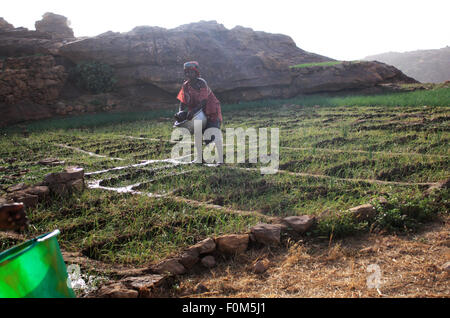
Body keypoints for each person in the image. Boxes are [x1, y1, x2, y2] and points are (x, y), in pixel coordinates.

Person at [176, 61, 223, 145]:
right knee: (198, 134)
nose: (188, 74)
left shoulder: (201, 83)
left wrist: (193, 111)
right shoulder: (185, 86)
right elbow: (182, 102)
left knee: (211, 136)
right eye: (186, 72)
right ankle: (200, 157)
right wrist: (180, 112)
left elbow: (204, 101)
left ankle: (219, 155)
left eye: (190, 72)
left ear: (196, 73)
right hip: (197, 113)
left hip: (210, 111)